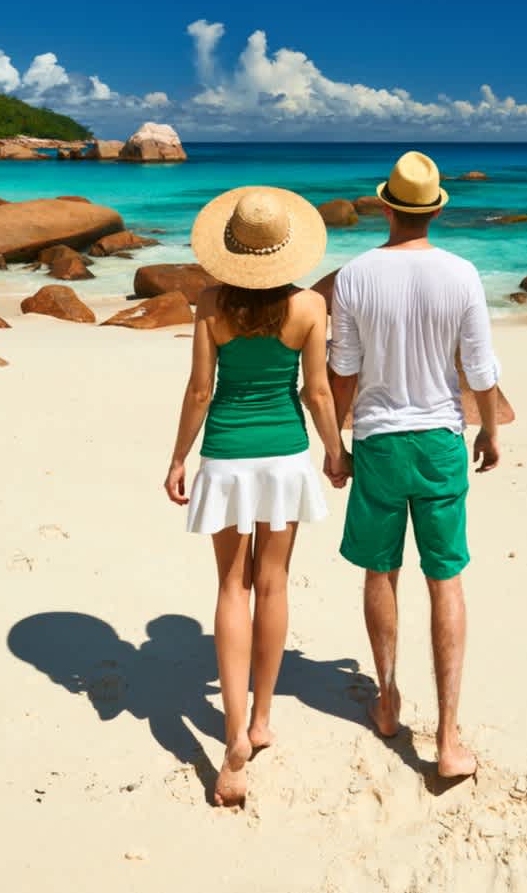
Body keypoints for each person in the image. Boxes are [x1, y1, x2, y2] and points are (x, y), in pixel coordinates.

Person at [165, 186, 345, 807]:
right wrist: (335, 451)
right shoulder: (309, 308)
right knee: (272, 583)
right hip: (286, 456)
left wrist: (177, 457)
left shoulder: (211, 303)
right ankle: (261, 721)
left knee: (229, 588)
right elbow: (319, 393)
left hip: (227, 454)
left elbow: (198, 391)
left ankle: (232, 734)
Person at [326, 151, 502, 779]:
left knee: (381, 573)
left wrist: (333, 444)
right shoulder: (461, 274)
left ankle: (389, 698)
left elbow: (341, 372)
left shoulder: (354, 275)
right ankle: (449, 738)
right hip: (437, 441)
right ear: (434, 210)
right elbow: (479, 368)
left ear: (387, 207)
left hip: (377, 441)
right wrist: (489, 432)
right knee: (445, 580)